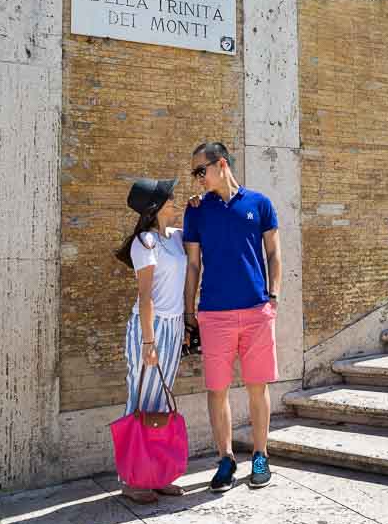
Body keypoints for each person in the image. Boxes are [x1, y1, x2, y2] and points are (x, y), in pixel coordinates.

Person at [183, 142, 281, 491]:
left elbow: (273, 254)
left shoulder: (260, 204)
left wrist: (272, 297)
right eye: (194, 173)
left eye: (200, 171)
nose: (197, 179)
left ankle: (260, 455)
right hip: (214, 314)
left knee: (258, 387)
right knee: (217, 389)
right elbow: (193, 264)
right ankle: (225, 459)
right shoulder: (195, 211)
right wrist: (188, 310)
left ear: (221, 164)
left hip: (256, 310)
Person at [114, 177, 188, 504]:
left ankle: (156, 474)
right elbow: (145, 296)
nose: (176, 202)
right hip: (150, 327)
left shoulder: (174, 238)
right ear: (155, 208)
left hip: (173, 326)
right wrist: (148, 341)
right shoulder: (144, 242)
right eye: (170, 199)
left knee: (160, 402)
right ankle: (131, 478)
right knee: (140, 400)